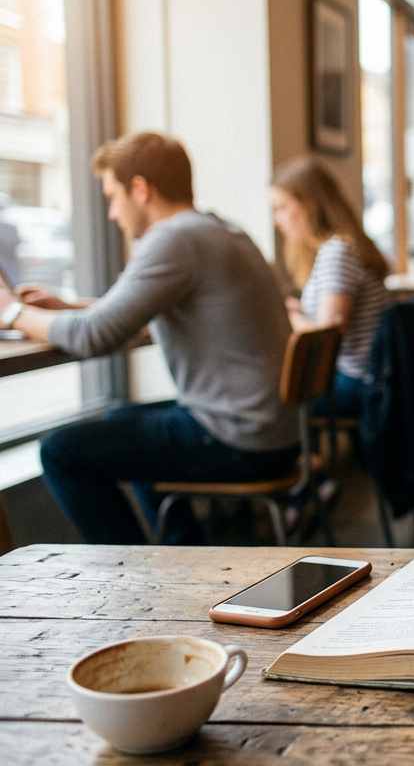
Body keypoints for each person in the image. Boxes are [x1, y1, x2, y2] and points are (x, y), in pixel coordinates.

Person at [0, 132, 298, 544]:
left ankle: (134, 574)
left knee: (60, 451)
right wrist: (66, 307)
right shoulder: (218, 229)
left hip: (239, 440)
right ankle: (181, 549)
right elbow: (128, 315)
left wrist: (11, 312)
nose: (111, 213)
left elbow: (94, 337)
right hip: (274, 432)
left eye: (113, 196)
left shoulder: (174, 238)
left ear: (140, 190)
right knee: (119, 419)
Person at [270, 156, 393, 418]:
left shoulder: (336, 252)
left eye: (281, 207)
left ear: (309, 205)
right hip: (362, 377)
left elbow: (328, 337)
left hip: (357, 382)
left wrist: (291, 314)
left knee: (268, 400)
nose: (276, 220)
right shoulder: (337, 249)